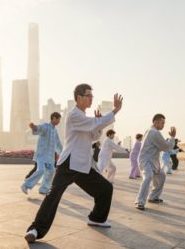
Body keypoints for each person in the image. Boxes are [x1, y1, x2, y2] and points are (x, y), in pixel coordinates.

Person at [24, 83, 123, 243]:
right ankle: (35, 229)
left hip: (83, 164)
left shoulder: (84, 118)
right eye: (88, 96)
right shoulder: (73, 115)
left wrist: (98, 125)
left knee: (105, 189)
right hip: (68, 163)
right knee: (53, 195)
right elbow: (92, 125)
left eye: (92, 96)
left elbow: (93, 136)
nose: (91, 99)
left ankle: (96, 218)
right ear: (79, 98)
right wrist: (114, 110)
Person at [135, 114, 176, 211]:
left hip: (153, 160)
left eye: (164, 123)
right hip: (146, 160)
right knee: (148, 176)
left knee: (161, 175)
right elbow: (166, 147)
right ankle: (140, 201)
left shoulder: (152, 131)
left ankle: (153, 196)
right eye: (162, 123)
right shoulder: (154, 132)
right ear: (155, 122)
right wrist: (172, 137)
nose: (163, 125)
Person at [21, 112, 63, 195]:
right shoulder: (46, 126)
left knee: (51, 170)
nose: (59, 121)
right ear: (53, 118)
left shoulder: (55, 131)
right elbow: (39, 128)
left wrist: (63, 153)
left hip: (50, 157)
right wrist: (34, 127)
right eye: (58, 119)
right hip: (42, 155)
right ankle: (25, 186)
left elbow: (58, 144)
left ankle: (44, 189)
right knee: (41, 170)